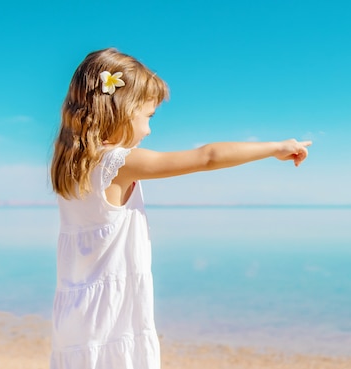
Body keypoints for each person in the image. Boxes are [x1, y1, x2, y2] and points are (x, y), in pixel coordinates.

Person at [49, 47, 311, 369]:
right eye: (148, 117)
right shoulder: (117, 163)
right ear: (119, 109)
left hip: (75, 315)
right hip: (110, 320)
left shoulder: (70, 166)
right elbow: (207, 157)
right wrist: (276, 147)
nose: (149, 130)